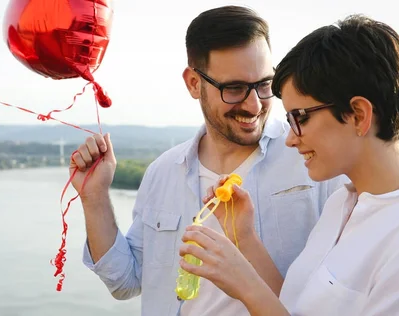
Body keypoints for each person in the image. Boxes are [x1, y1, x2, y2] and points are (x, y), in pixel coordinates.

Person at [178, 14, 399, 316]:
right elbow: (290, 308)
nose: (290, 139)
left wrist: (245, 284)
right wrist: (246, 238)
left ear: (358, 114)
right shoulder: (341, 204)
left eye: (300, 118)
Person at [69, 5, 347, 316]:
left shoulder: (315, 162)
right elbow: (125, 282)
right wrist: (94, 198)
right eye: (235, 89)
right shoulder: (163, 172)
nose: (254, 104)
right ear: (193, 83)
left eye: (264, 85)